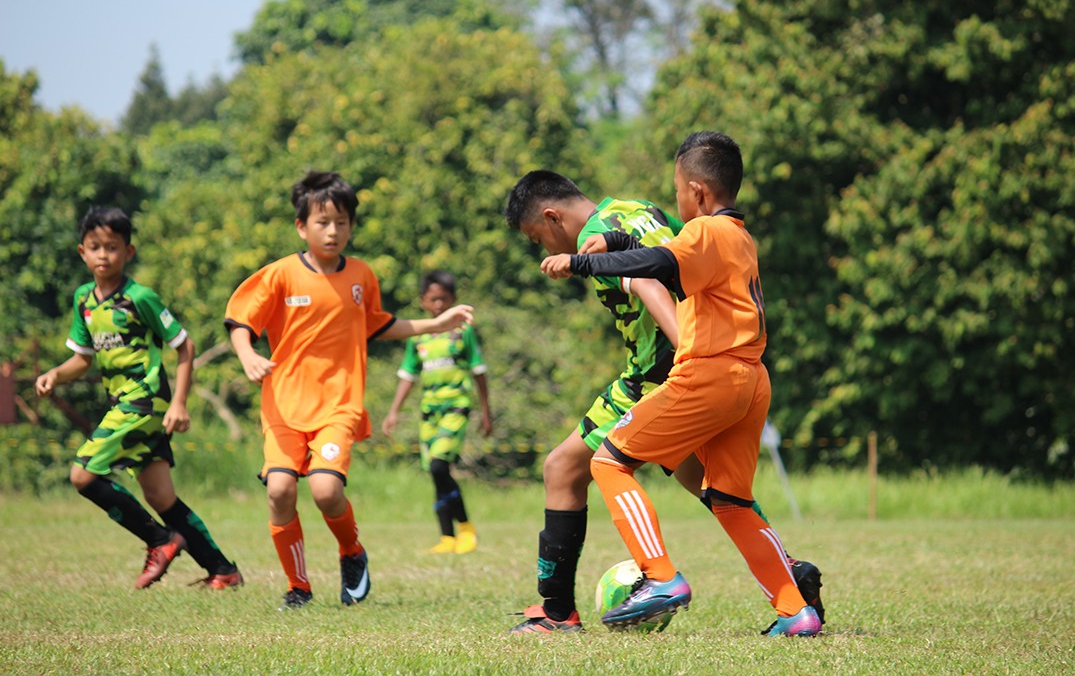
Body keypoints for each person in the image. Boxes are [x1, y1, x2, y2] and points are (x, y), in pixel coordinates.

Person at [504, 171, 823, 635]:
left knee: (566, 467)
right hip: (723, 370)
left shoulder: (592, 235)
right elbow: (675, 255)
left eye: (539, 239)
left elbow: (649, 284)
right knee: (716, 489)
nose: (545, 250)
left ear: (552, 217)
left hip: (658, 375)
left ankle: (558, 613)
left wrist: (687, 353)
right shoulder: (640, 210)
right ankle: (789, 575)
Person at [225, 171, 474, 611]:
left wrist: (435, 324)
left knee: (325, 491)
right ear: (301, 226)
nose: (333, 230)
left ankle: (351, 553)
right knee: (280, 490)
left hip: (338, 405)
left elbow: (379, 324)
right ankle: (298, 587)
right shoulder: (280, 275)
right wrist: (246, 354)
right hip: (282, 405)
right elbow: (242, 322)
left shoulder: (361, 275)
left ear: (351, 225)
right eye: (322, 222)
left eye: (341, 221)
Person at [35, 206, 242, 591]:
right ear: (82, 252)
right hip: (121, 403)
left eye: (112, 247)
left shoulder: (140, 297)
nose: (102, 255)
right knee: (160, 496)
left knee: (82, 475)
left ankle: (160, 541)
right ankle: (223, 570)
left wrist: (179, 403)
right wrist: (54, 375)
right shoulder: (84, 300)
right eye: (95, 247)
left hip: (144, 400)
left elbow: (185, 346)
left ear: (128, 252)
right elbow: (82, 359)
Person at [381, 270, 492, 555]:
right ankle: (447, 537)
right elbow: (408, 375)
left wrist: (486, 412)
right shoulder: (418, 337)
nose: (440, 305)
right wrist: (393, 412)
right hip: (429, 412)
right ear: (423, 302)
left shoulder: (463, 333)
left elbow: (479, 371)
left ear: (454, 300)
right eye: (434, 299)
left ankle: (466, 528)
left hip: (455, 407)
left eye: (445, 299)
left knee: (439, 466)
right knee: (436, 474)